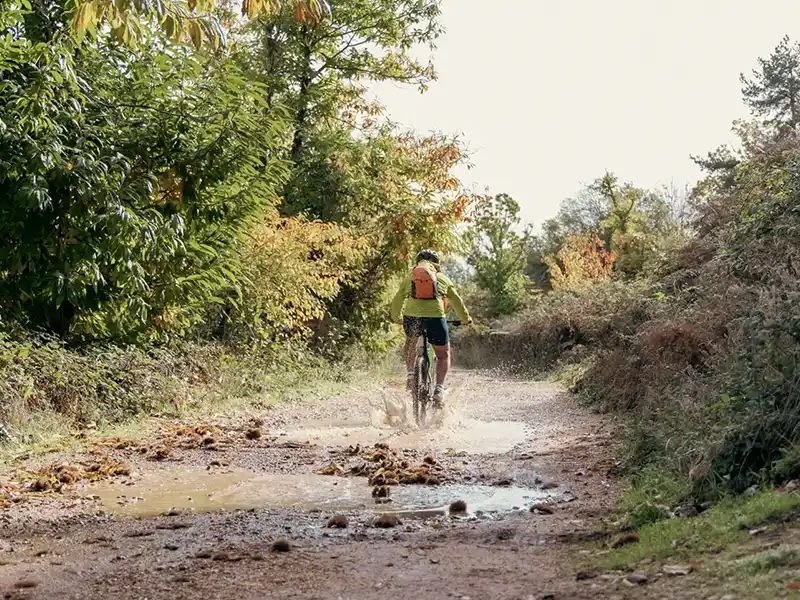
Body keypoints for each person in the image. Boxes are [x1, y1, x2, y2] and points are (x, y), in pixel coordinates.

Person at [390, 249, 472, 406]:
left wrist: (396, 318)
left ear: (417, 262)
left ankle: (410, 375)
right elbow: (457, 302)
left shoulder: (410, 278)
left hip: (412, 318)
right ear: (437, 263)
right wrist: (465, 319)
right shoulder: (443, 279)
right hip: (435, 318)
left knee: (411, 342)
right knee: (443, 355)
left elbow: (398, 299)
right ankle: (439, 390)